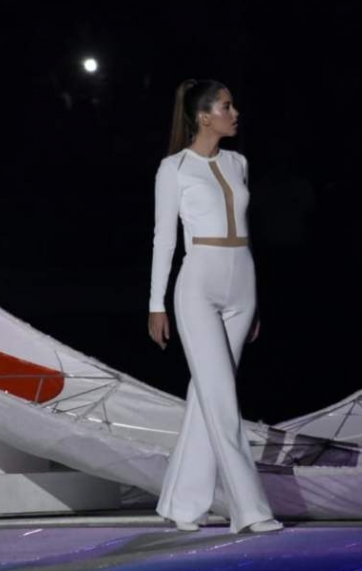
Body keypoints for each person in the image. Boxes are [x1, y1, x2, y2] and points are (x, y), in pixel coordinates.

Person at [147, 78, 282, 533]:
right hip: (197, 285)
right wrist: (155, 304)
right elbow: (164, 240)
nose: (235, 113)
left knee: (206, 399)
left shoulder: (238, 162)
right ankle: (251, 509)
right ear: (204, 116)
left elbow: (248, 233)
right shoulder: (175, 168)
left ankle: (182, 505)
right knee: (222, 400)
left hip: (242, 284)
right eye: (227, 106)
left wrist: (256, 303)